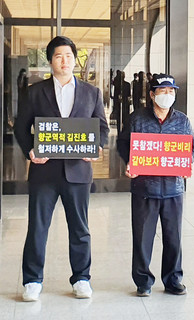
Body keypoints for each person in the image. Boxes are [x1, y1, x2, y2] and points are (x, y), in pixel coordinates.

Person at [14, 36, 109, 302]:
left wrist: (98, 146)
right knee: (38, 227)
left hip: (78, 171)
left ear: (74, 60)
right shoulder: (35, 91)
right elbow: (21, 127)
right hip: (43, 172)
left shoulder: (92, 93)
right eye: (58, 56)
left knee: (80, 228)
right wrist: (30, 151)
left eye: (69, 56)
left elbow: (101, 127)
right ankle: (32, 280)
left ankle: (81, 278)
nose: (64, 61)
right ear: (50, 61)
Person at [117, 74, 194, 297]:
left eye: (171, 91)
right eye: (163, 91)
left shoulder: (182, 120)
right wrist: (130, 162)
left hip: (174, 188)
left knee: (174, 237)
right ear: (152, 95)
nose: (168, 95)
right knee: (143, 236)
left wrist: (186, 162)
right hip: (145, 188)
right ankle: (143, 281)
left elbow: (193, 147)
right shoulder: (137, 119)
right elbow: (123, 143)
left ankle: (173, 280)